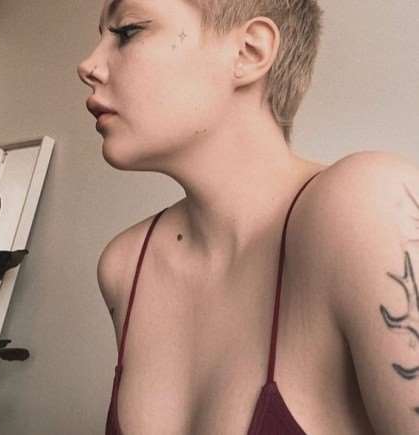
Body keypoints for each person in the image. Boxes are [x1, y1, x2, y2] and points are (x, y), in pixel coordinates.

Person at [77, 1, 419, 434]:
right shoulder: (126, 265)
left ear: (249, 52)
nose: (87, 66)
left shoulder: (368, 206)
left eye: (127, 32)